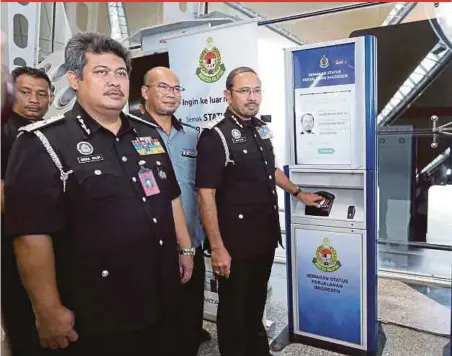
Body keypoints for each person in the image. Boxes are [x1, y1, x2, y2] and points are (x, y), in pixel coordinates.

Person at [4, 32, 194, 356]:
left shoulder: (147, 134)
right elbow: (31, 235)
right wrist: (47, 310)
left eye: (121, 73)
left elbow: (169, 195)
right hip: (98, 311)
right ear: (75, 80)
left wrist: (186, 248)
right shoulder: (43, 143)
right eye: (101, 72)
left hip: (159, 295)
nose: (115, 82)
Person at [196, 66, 321, 356]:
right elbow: (206, 194)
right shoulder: (216, 136)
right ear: (227, 94)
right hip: (235, 244)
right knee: (233, 311)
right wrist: (216, 247)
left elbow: (271, 169)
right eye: (244, 91)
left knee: (254, 305)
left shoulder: (260, 129)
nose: (252, 97)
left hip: (263, 237)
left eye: (256, 90)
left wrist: (299, 192)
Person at [141, 66, 211, 356]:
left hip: (191, 241)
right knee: (156, 319)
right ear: (145, 92)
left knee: (190, 311)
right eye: (163, 87)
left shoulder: (192, 137)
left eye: (176, 88)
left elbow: (201, 189)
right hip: (150, 246)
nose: (171, 94)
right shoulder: (130, 134)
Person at [1, 66, 54, 356]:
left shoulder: (47, 132)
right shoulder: (4, 132)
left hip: (53, 242)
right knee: (23, 319)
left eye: (41, 93)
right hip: (13, 245)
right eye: (25, 92)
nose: (34, 99)